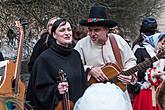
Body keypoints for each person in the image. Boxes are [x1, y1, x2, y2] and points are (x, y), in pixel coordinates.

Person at [74, 4, 137, 110]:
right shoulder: (82, 44)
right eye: (90, 30)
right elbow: (73, 65)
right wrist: (89, 69)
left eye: (96, 30)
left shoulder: (118, 41)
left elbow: (130, 60)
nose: (92, 34)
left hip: (118, 97)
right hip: (91, 98)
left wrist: (129, 75)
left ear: (106, 29)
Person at [26, 18, 88, 110]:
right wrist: (56, 89)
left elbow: (82, 84)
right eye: (62, 30)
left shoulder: (76, 55)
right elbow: (38, 91)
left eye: (69, 29)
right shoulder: (45, 58)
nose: (67, 33)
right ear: (54, 34)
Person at [132, 17, 165, 110]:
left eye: (152, 33)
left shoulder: (159, 48)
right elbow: (135, 72)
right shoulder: (138, 48)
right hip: (145, 92)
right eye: (147, 33)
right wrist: (151, 74)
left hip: (160, 90)